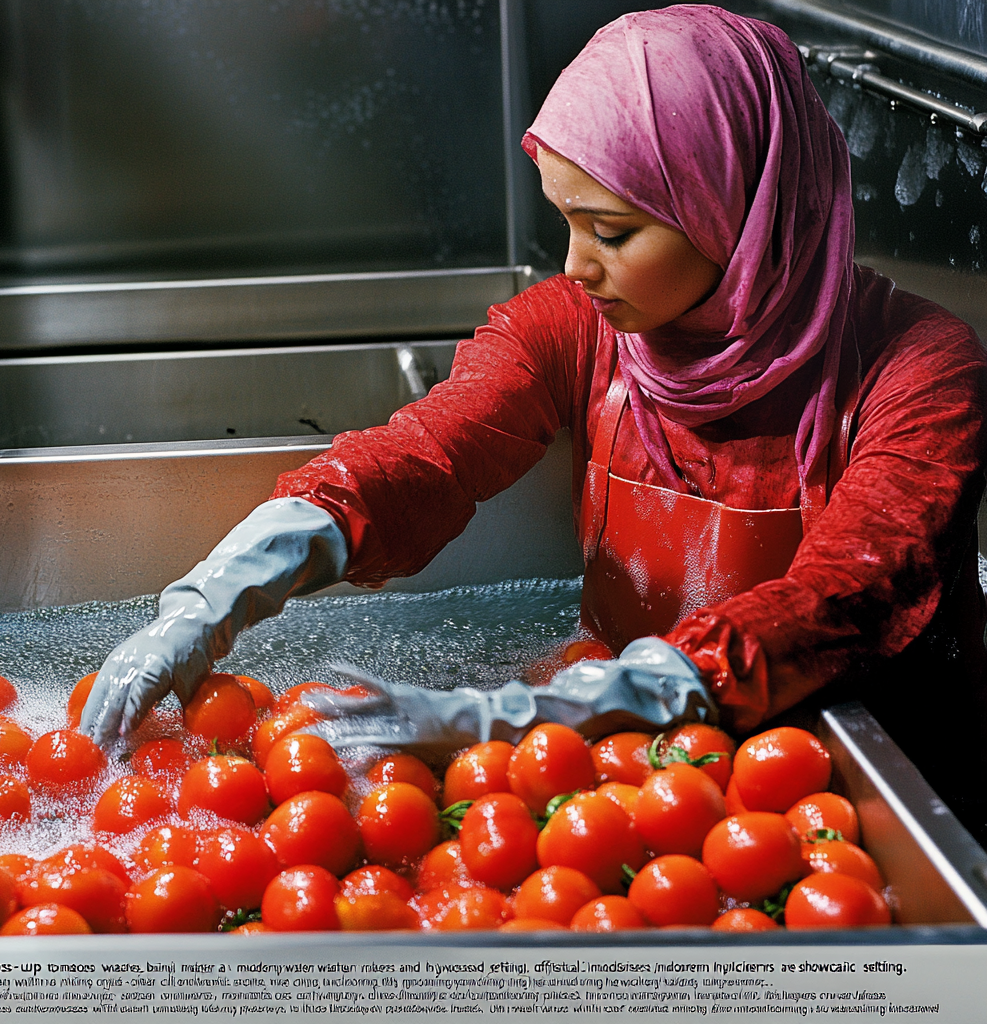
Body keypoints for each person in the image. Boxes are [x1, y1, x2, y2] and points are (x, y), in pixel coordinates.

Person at [81, 6, 987, 828]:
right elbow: (423, 456)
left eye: (614, 232)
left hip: (872, 790)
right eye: (566, 221)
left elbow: (848, 597)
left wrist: (513, 716)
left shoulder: (919, 374)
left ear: (737, 208)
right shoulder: (575, 328)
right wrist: (212, 601)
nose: (577, 267)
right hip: (648, 771)